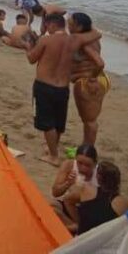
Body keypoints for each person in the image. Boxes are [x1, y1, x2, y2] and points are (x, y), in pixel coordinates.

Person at [25, 13, 101, 165]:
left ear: (52, 25)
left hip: (44, 85)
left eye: (47, 25)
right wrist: (87, 24)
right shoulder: (75, 40)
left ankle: (53, 156)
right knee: (58, 121)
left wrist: (28, 46)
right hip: (62, 88)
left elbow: (31, 59)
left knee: (47, 123)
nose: (46, 29)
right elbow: (97, 33)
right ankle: (53, 148)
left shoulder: (46, 39)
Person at [69, 12, 107, 146]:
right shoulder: (93, 37)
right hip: (102, 79)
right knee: (90, 119)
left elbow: (99, 63)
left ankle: (88, 149)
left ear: (79, 27)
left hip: (88, 82)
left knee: (90, 121)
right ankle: (86, 145)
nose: (68, 25)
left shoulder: (82, 42)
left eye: (71, 23)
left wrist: (91, 78)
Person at [73, 161, 128, 235]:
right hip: (105, 241)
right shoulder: (125, 203)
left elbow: (67, 201)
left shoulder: (86, 189)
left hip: (82, 236)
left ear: (98, 177)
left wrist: (77, 222)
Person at [52, 143, 98, 229]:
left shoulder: (100, 174)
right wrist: (67, 183)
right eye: (79, 163)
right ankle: (76, 227)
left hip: (89, 210)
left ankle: (76, 227)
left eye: (88, 165)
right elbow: (55, 192)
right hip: (70, 208)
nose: (83, 168)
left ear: (95, 164)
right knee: (51, 207)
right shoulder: (69, 165)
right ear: (75, 159)